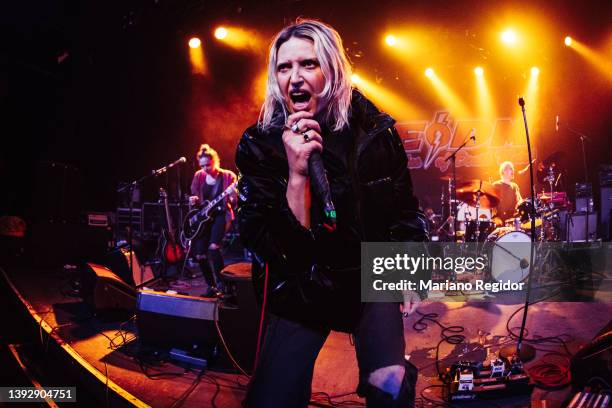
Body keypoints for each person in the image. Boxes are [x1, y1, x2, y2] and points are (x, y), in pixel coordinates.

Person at [235, 19, 428, 407]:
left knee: (389, 388)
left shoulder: (374, 131)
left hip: (369, 273)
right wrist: (295, 174)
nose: (295, 78)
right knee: (273, 399)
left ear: (332, 68)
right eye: (284, 67)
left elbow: (403, 210)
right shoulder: (261, 144)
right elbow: (275, 248)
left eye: (308, 64)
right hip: (305, 282)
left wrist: (407, 269)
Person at [189, 143, 237, 297]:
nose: (205, 169)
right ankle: (211, 286)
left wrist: (232, 196)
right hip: (204, 218)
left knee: (214, 248)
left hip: (220, 215)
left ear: (215, 161)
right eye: (202, 165)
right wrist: (193, 199)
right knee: (200, 255)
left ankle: (225, 286)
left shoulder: (228, 176)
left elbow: (234, 202)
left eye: (208, 165)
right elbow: (194, 195)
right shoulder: (199, 176)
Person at [492, 161, 523, 225]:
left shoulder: (515, 186)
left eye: (512, 169)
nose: (513, 171)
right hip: (499, 220)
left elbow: (520, 202)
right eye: (510, 168)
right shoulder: (496, 185)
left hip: (513, 220)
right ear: (504, 171)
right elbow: (490, 205)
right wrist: (495, 218)